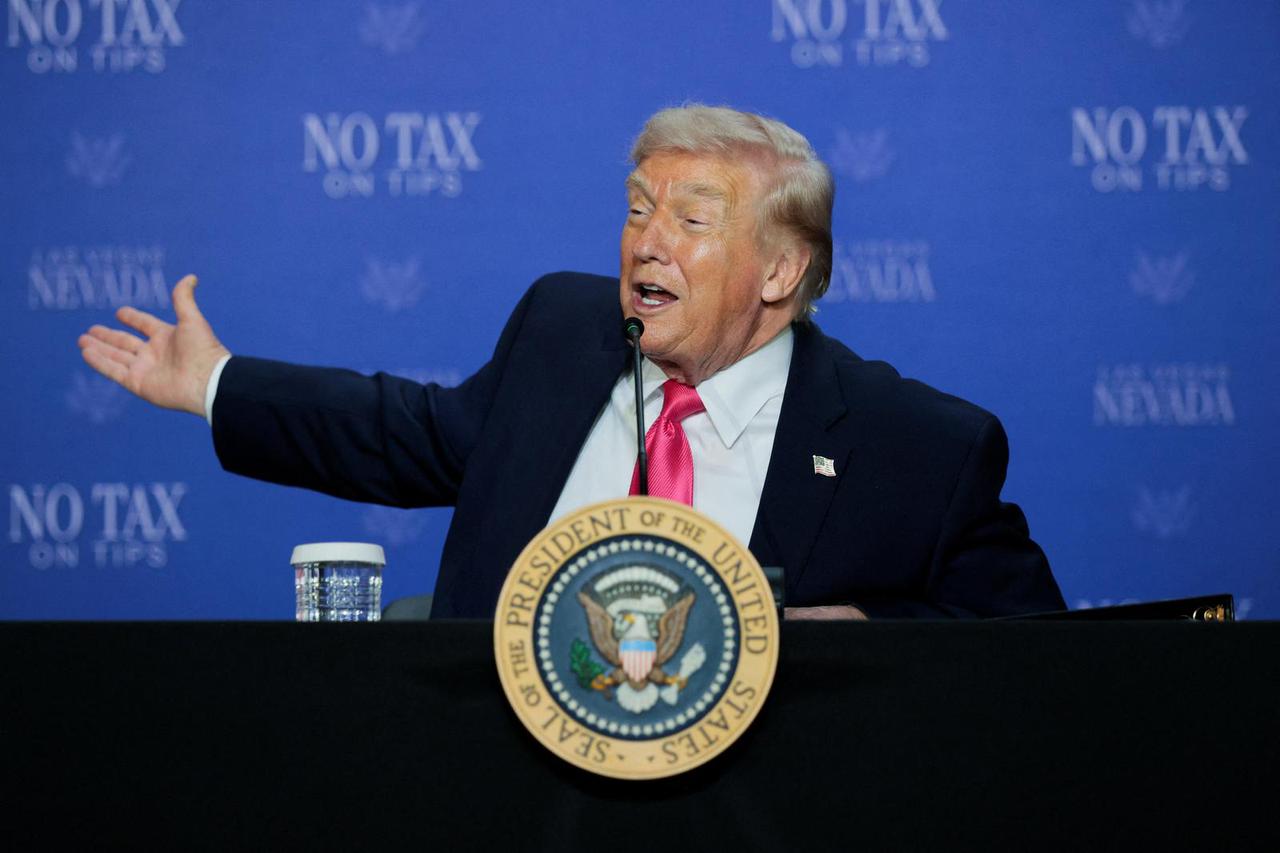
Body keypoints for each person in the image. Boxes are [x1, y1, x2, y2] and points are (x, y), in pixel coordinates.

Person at [78, 104, 1065, 620]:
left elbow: (1031, 661)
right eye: (637, 209)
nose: (645, 243)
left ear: (779, 269)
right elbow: (409, 433)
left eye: (688, 221)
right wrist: (213, 382)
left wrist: (852, 631)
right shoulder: (565, 331)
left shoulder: (918, 447)